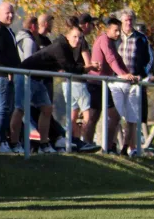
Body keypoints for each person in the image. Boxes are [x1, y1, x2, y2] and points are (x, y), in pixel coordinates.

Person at [9, 19, 100, 154]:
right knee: (20, 109)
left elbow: (67, 67)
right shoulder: (60, 46)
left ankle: (44, 144)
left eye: (80, 38)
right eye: (75, 37)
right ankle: (14, 143)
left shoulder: (68, 48)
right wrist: (90, 67)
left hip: (39, 79)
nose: (78, 41)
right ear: (67, 36)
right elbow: (71, 68)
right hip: (25, 75)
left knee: (46, 109)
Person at [84, 18, 135, 152]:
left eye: (119, 30)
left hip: (102, 84)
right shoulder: (104, 40)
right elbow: (110, 58)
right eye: (116, 30)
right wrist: (122, 75)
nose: (118, 33)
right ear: (108, 30)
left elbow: (118, 59)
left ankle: (103, 146)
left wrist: (128, 74)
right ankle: (94, 145)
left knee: (103, 116)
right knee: (104, 116)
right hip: (95, 83)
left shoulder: (111, 42)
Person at [110, 9, 154, 156]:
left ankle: (128, 147)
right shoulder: (115, 38)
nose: (128, 23)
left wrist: (142, 75)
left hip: (134, 82)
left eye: (130, 20)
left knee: (132, 117)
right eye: (125, 20)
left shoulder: (141, 39)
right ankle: (111, 146)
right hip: (117, 81)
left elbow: (149, 60)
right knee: (115, 115)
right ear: (121, 22)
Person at [61, 14, 96, 139]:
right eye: (92, 25)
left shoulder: (65, 40)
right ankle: (84, 140)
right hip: (79, 81)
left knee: (72, 114)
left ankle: (72, 141)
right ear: (85, 24)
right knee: (87, 114)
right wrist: (94, 66)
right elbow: (88, 63)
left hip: (66, 81)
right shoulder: (82, 41)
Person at [0, 2, 21, 153]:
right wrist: (8, 69)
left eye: (12, 12)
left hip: (8, 74)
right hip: (1, 75)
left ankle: (2, 140)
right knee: (3, 108)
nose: (10, 15)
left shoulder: (8, 31)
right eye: (7, 13)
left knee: (7, 108)